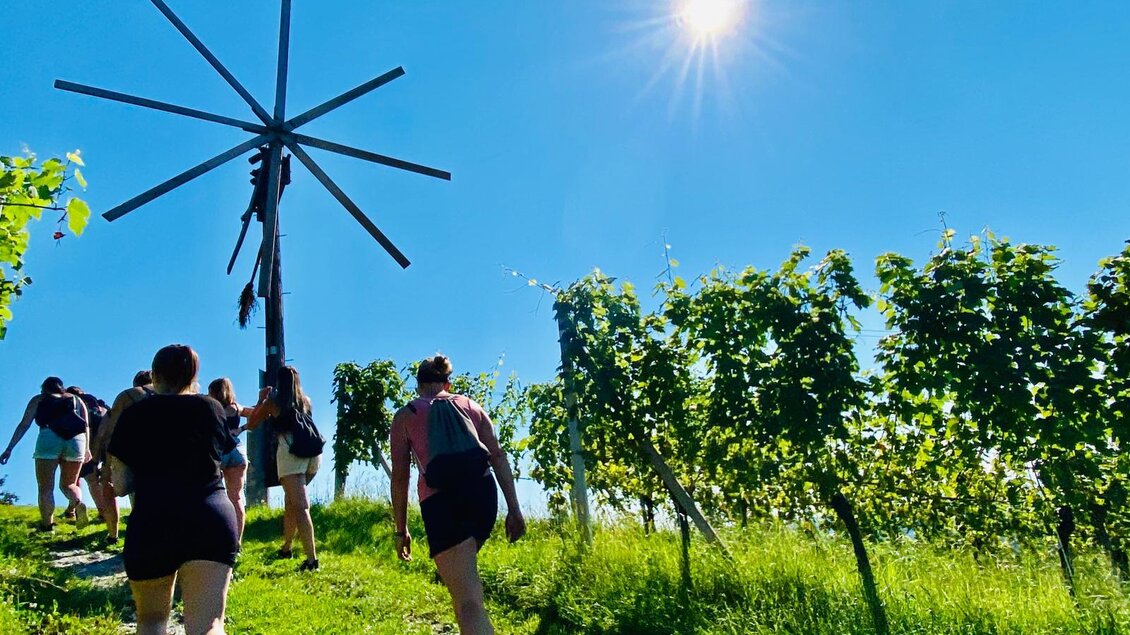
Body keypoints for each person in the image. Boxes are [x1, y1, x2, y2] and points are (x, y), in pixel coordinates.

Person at [390, 355, 526, 635]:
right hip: (483, 497)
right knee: (465, 584)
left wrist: (401, 529)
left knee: (467, 603)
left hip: (442, 503)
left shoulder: (406, 415)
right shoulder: (470, 406)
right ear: (447, 383)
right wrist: (514, 509)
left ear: (418, 384)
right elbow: (497, 456)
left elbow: (400, 476)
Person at [108, 345, 238, 635]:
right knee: (209, 625)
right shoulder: (212, 408)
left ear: (154, 375)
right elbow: (227, 456)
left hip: (154, 520)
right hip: (210, 517)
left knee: (151, 621)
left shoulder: (135, 414)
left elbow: (121, 485)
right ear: (193, 376)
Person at [245, 366, 320, 571]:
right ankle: (286, 547)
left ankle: (312, 560)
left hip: (290, 455)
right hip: (312, 455)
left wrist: (261, 400)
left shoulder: (274, 403)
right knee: (292, 504)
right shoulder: (306, 401)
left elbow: (252, 424)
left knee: (301, 507)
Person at [0, 377, 91, 531]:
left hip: (49, 437)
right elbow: (86, 424)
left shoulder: (39, 399)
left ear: (45, 389)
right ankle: (77, 503)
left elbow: (24, 424)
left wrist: (9, 448)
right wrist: (87, 448)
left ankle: (47, 525)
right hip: (77, 440)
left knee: (46, 486)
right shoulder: (76, 399)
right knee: (69, 484)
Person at [94, 370, 155, 541]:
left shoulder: (127, 395)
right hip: (160, 453)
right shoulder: (168, 394)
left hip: (129, 451)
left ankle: (119, 535)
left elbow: (111, 430)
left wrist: (106, 460)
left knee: (122, 490)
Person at [206, 378, 261, 543]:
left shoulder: (212, 409)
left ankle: (216, 536)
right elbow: (255, 413)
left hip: (218, 451)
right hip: (237, 451)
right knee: (236, 498)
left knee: (213, 495)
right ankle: (236, 543)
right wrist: (242, 428)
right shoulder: (236, 407)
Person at [66, 387, 112, 535]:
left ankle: (101, 511)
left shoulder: (75, 404)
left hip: (87, 442)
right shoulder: (100, 404)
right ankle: (74, 509)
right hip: (109, 442)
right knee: (103, 478)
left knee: (83, 477)